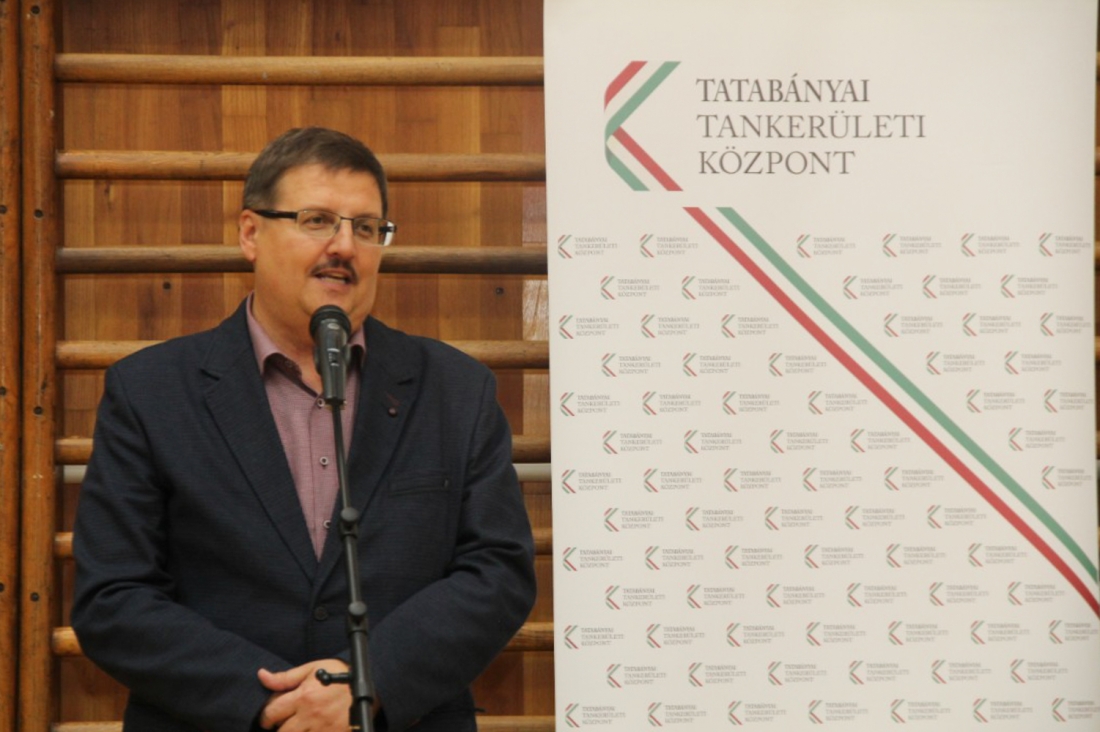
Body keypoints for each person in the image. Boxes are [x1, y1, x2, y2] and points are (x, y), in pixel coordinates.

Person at [71, 127, 537, 732]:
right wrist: (271, 702)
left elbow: (498, 573)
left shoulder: (456, 389)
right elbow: (113, 597)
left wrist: (365, 685)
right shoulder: (149, 391)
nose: (344, 246)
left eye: (366, 228)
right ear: (250, 233)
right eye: (317, 220)